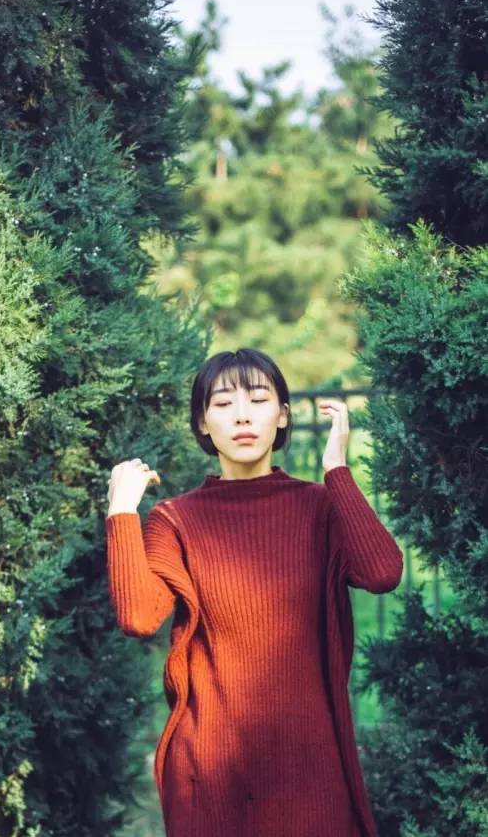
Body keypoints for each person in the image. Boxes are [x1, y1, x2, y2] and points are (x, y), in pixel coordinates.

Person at [105, 348, 403, 837]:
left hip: (311, 771)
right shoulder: (175, 520)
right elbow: (138, 617)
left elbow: (382, 573)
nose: (242, 416)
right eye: (223, 404)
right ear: (202, 423)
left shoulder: (320, 508)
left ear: (282, 415)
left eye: (259, 400)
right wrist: (121, 511)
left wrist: (337, 470)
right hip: (210, 773)